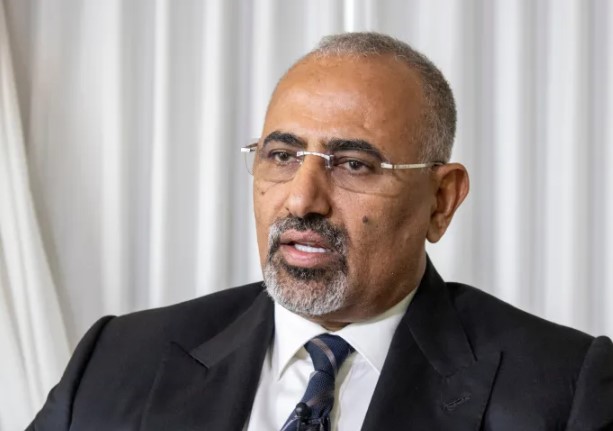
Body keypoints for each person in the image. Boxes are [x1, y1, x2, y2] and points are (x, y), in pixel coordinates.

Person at [28, 32, 612, 431]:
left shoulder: (564, 391)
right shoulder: (117, 359)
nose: (302, 199)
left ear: (441, 200)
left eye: (354, 164)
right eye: (282, 156)